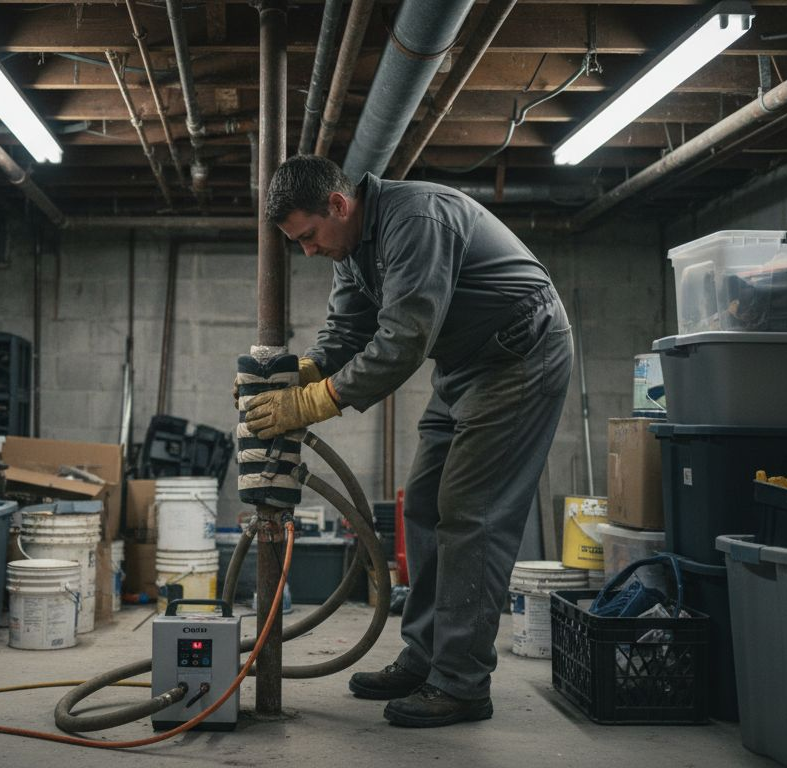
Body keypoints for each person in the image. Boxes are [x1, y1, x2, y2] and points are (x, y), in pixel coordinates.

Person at [243, 155, 572, 728]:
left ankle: (462, 682)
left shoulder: (417, 219)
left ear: (339, 205)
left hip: (520, 356)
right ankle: (425, 656)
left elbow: (402, 340)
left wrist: (316, 401)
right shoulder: (352, 246)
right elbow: (349, 330)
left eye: (309, 237)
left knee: (471, 515)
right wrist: (303, 372)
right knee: (421, 506)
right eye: (297, 243)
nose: (308, 251)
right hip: (464, 365)